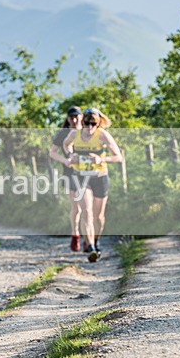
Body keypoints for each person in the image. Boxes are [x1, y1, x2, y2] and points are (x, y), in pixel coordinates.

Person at [63, 108, 123, 263]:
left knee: (99, 217)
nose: (89, 127)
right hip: (81, 177)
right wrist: (71, 155)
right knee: (86, 212)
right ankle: (90, 247)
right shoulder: (74, 134)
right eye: (86, 123)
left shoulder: (103, 135)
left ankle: (96, 241)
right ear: (82, 122)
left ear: (98, 124)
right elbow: (66, 145)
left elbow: (118, 157)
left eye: (93, 124)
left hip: (100, 178)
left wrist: (101, 159)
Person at [48, 106, 83, 251]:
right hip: (70, 173)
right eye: (71, 117)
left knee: (88, 207)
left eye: (76, 116)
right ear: (67, 119)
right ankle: (75, 234)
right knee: (77, 207)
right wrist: (65, 161)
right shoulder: (63, 133)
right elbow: (52, 152)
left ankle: (89, 240)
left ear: (81, 116)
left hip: (88, 172)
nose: (74, 120)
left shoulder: (88, 130)